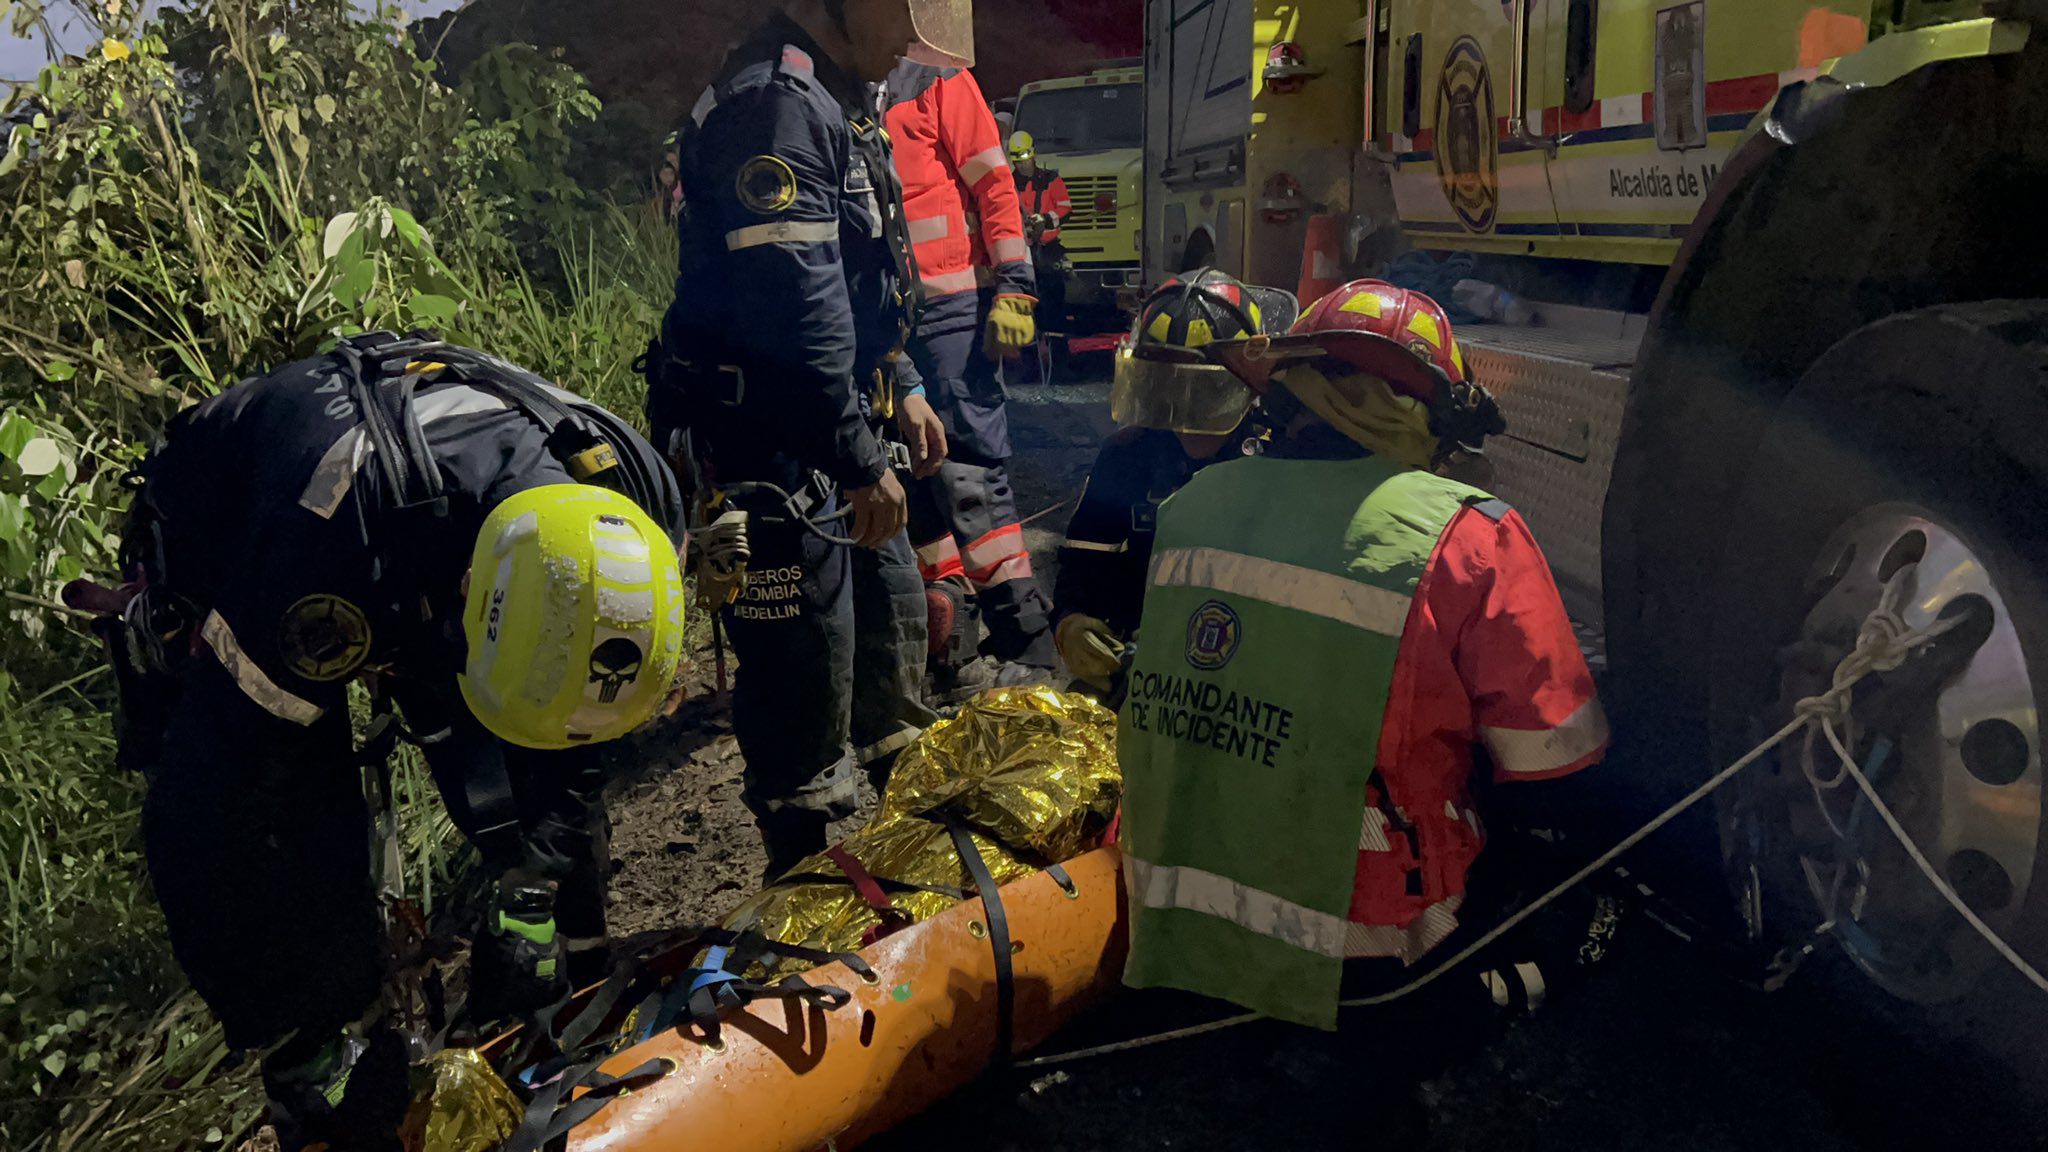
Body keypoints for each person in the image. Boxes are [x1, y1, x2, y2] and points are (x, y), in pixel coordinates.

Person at [79, 333, 688, 1149]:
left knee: (531, 777)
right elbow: (205, 819)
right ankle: (335, 1065)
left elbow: (580, 724)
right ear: (471, 596)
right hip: (247, 528)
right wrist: (299, 1031)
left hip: (432, 533)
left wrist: (533, 881)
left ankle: (570, 989)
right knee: (296, 819)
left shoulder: (628, 503)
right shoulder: (318, 566)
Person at [1116, 279, 1611, 1031]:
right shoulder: (1473, 539)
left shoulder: (1194, 506)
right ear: (1431, 412)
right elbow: (1555, 767)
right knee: (1582, 900)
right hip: (1368, 951)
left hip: (1176, 913)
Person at [646, 0, 971, 876]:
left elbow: (860, 270)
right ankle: (797, 891)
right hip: (772, 446)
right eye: (900, 20)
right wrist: (860, 459)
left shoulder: (832, 93)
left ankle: (909, 867)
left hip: (835, 425)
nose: (910, 44)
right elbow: (795, 304)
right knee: (799, 679)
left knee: (892, 630)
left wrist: (900, 383)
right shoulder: (774, 104)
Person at [881, 58, 1060, 693]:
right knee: (913, 474)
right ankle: (952, 642)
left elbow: (994, 182)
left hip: (951, 310)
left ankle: (1028, 644)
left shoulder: (938, 79)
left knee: (969, 477)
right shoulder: (840, 83)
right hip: (884, 321)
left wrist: (1015, 288)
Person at [1052, 270, 1297, 692]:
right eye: (1165, 391)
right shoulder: (1128, 457)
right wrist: (1070, 622)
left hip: (1255, 674)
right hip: (1143, 671)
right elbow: (1083, 567)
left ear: (1243, 383)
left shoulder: (1281, 460)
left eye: (1200, 394)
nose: (1182, 415)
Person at [1010, 130, 1072, 352]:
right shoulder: (1009, 184)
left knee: (1054, 305)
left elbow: (1065, 209)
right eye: (1018, 161)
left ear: (1033, 154)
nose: (1023, 165)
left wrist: (1044, 219)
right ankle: (1029, 360)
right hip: (1023, 252)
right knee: (1026, 306)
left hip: (1048, 251)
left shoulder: (1050, 180)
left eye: (1026, 159)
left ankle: (1059, 359)